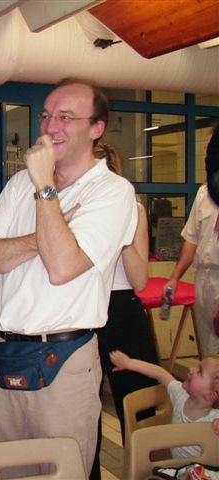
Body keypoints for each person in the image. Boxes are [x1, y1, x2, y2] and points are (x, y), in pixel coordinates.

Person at [0, 79, 137, 475]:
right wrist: (46, 235)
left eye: (65, 117)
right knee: (8, 471)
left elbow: (62, 268)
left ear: (96, 128)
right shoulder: (19, 184)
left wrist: (45, 186)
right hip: (5, 354)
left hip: (63, 361)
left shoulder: (112, 192)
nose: (49, 127)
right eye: (46, 116)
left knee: (62, 470)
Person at [89, 143, 160, 479]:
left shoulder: (134, 208)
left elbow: (140, 279)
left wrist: (121, 229)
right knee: (83, 413)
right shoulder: (71, 206)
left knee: (139, 405)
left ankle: (147, 473)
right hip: (83, 309)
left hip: (122, 309)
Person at [163, 125, 219, 357]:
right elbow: (191, 240)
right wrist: (175, 277)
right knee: (208, 350)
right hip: (205, 277)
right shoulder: (205, 193)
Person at [109, 350, 219, 457]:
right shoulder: (181, 395)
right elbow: (161, 374)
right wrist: (128, 363)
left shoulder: (214, 420)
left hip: (204, 469)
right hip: (177, 467)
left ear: (212, 395)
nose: (191, 369)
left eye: (199, 372)